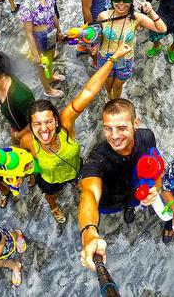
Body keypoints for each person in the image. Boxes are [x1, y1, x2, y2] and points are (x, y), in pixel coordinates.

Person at [20, 43, 133, 223]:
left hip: (75, 168)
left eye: (48, 121)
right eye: (37, 124)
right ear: (31, 126)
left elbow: (88, 91)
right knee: (51, 194)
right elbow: (23, 161)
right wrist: (25, 174)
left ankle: (75, 181)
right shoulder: (27, 141)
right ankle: (54, 207)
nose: (44, 129)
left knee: (78, 177)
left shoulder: (65, 124)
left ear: (56, 120)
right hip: (50, 179)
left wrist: (114, 57)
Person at [78, 99, 161, 271]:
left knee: (131, 204)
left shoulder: (147, 137)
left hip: (134, 192)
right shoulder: (97, 160)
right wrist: (89, 231)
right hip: (110, 199)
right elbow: (90, 194)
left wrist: (156, 188)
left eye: (122, 128)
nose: (114, 136)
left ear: (135, 123)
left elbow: (155, 161)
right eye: (108, 128)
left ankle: (130, 208)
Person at [96, 0, 167, 100]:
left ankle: (115, 101)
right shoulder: (103, 16)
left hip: (125, 58)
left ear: (132, 0)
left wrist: (150, 11)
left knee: (118, 85)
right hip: (105, 56)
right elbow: (98, 35)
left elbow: (162, 29)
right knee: (107, 83)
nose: (121, 3)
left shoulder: (137, 18)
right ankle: (109, 97)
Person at [19, 0, 65, 98]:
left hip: (51, 32)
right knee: (42, 65)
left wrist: (59, 30)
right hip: (39, 38)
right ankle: (47, 89)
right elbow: (28, 33)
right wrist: (35, 53)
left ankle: (50, 77)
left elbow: (54, 14)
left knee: (50, 58)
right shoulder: (27, 7)